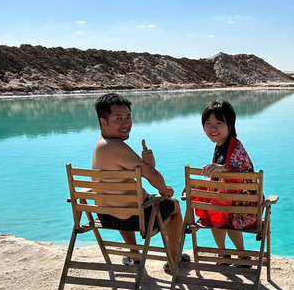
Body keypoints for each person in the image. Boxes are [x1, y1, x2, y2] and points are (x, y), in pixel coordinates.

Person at [91, 93, 187, 273]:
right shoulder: (115, 146)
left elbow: (138, 171)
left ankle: (135, 256)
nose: (126, 123)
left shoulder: (101, 146)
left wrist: (148, 164)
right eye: (118, 118)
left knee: (132, 203)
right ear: (103, 122)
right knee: (173, 206)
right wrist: (164, 190)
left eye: (128, 117)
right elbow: (151, 175)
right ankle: (174, 259)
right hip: (132, 220)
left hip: (106, 216)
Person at [198, 100, 258, 263]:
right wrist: (198, 187)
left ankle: (229, 254)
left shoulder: (236, 149)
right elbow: (217, 178)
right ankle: (231, 254)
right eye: (208, 123)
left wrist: (224, 169)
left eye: (219, 123)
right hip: (231, 206)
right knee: (217, 210)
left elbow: (245, 176)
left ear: (230, 125)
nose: (212, 128)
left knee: (217, 212)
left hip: (244, 211)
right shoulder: (221, 146)